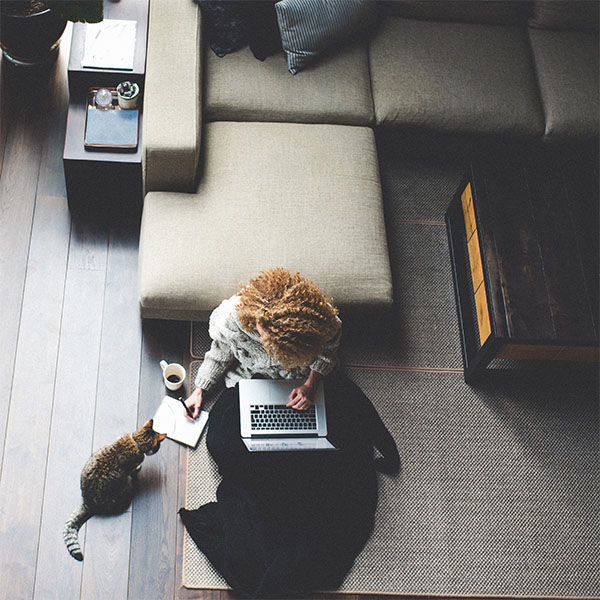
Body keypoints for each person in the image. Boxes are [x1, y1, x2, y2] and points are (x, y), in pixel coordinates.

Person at [184, 267, 342, 419]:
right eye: (262, 334)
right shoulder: (234, 317)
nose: (264, 343)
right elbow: (222, 350)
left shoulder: (320, 322)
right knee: (221, 441)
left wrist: (311, 385)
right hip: (252, 377)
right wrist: (200, 389)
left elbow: (328, 350)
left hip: (304, 376)